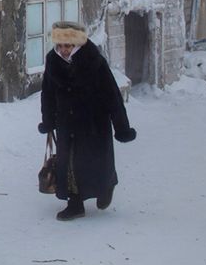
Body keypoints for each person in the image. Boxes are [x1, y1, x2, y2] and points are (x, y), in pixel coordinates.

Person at [38, 20, 136, 221]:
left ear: (77, 44)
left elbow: (112, 96)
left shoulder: (94, 61)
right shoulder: (53, 61)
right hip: (66, 123)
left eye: (68, 46)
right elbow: (47, 94)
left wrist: (122, 128)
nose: (64, 50)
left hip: (94, 121)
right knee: (70, 164)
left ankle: (106, 187)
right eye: (61, 46)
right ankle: (75, 205)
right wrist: (48, 120)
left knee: (96, 161)